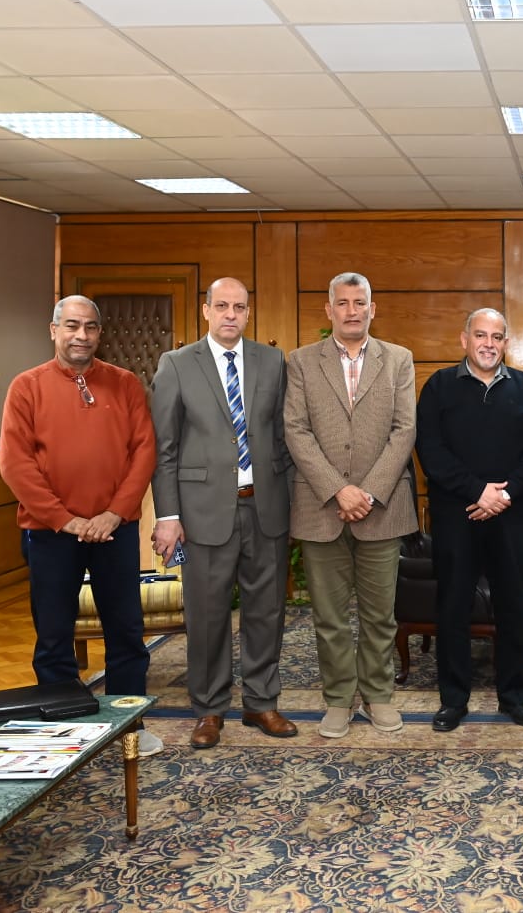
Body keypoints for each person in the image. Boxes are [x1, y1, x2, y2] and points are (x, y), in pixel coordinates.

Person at [0, 295, 162, 756]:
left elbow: (144, 451)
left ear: (99, 334)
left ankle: (129, 725)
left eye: (90, 327)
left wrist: (114, 513)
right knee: (54, 637)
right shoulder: (26, 387)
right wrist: (66, 520)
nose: (81, 335)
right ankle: (64, 731)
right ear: (54, 330)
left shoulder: (124, 383)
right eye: (71, 326)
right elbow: (15, 464)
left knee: (126, 632)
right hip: (50, 533)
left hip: (115, 530)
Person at [149, 277, 296, 749]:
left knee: (267, 611)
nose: (231, 314)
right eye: (223, 306)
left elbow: (284, 439)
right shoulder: (176, 364)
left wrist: (292, 501)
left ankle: (261, 702)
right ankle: (209, 708)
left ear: (248, 313)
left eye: (240, 307)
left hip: (265, 507)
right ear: (206, 310)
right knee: (208, 614)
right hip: (202, 512)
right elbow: (164, 449)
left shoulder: (272, 361)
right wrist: (168, 515)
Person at [284, 272, 417, 739]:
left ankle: (378, 695)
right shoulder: (301, 361)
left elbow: (404, 430)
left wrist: (369, 492)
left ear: (372, 309)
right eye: (342, 302)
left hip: (383, 508)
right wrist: (338, 489)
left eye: (360, 302)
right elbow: (296, 430)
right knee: (330, 617)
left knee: (380, 615)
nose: (352, 310)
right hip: (321, 507)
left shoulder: (398, 359)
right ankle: (339, 699)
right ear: (329, 309)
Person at [415, 308, 523, 732]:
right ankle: (453, 701)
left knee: (514, 609)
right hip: (456, 516)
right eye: (481, 335)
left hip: (512, 517)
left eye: (497, 337)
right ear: (464, 340)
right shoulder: (439, 386)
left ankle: (514, 698)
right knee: (453, 608)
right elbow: (430, 450)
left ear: (506, 344)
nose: (489, 344)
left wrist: (506, 494)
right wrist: (478, 491)